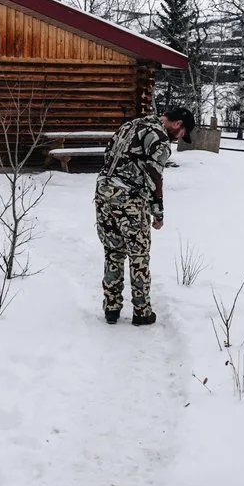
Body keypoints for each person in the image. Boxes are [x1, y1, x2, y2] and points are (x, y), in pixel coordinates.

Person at [97, 102, 192, 325]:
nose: (179, 138)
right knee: (138, 256)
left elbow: (108, 154)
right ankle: (142, 312)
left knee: (113, 251)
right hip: (129, 198)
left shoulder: (130, 125)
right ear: (177, 123)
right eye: (182, 133)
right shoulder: (160, 138)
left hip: (103, 193)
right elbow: (154, 175)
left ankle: (111, 309)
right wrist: (157, 212)